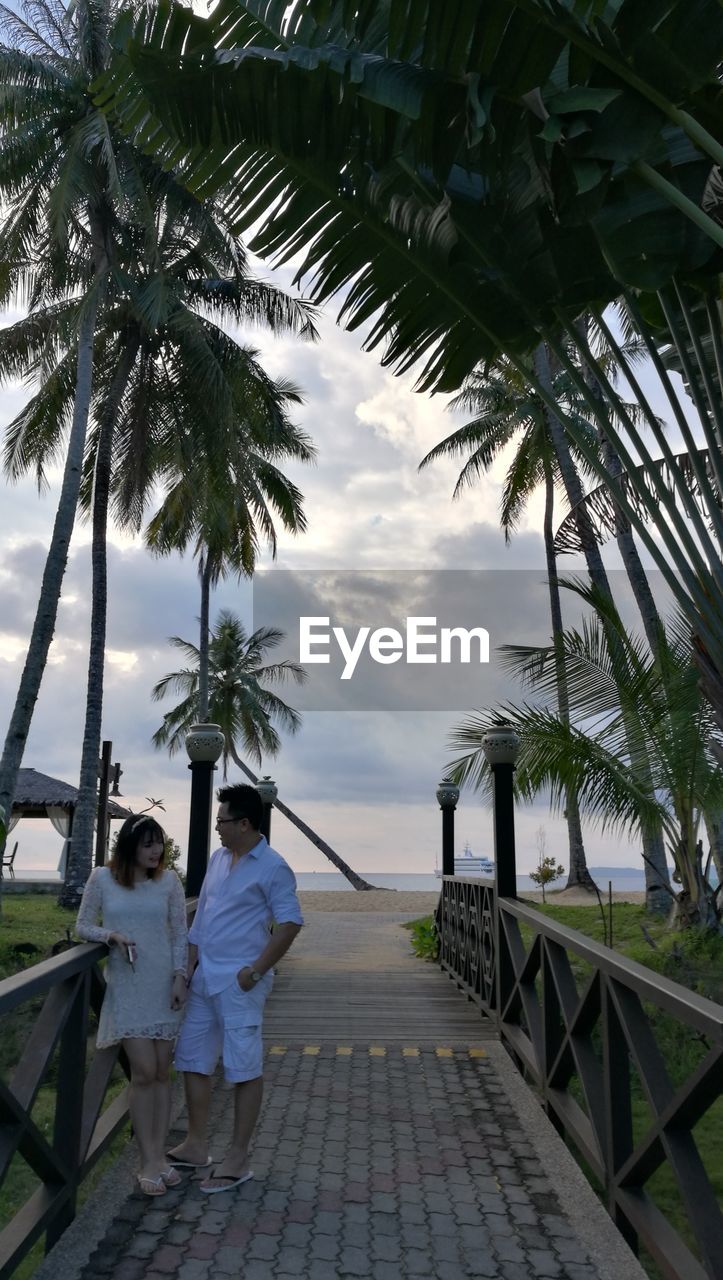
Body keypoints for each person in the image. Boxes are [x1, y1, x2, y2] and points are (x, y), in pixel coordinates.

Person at [168, 783, 303, 1193]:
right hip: (206, 976)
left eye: (222, 821)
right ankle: (196, 1144)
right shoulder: (219, 859)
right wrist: (186, 969)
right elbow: (203, 919)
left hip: (241, 982)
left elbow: (291, 922)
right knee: (193, 1058)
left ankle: (238, 1157)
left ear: (244, 823)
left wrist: (257, 971)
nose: (218, 828)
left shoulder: (273, 867)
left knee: (243, 1067)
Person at [75, 815, 188, 1197]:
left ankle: (160, 1156)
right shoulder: (101, 879)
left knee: (161, 1073)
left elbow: (179, 933)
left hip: (162, 985)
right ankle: (148, 1159)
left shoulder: (169, 881)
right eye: (147, 844)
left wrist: (179, 977)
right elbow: (83, 925)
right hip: (127, 985)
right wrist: (113, 935)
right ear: (129, 846)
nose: (156, 851)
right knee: (142, 1072)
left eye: (159, 843)